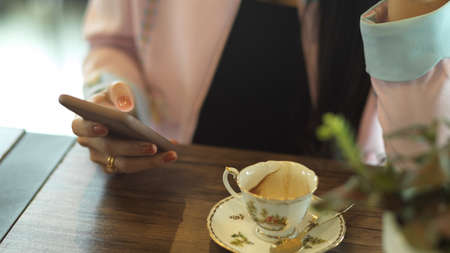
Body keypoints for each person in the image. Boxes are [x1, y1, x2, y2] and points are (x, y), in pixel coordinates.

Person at [73, 0, 450, 174]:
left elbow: (425, 163)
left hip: (343, 212)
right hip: (176, 189)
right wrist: (122, 105)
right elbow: (114, 43)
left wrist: (415, 17)